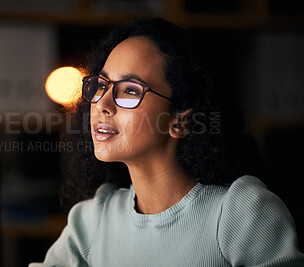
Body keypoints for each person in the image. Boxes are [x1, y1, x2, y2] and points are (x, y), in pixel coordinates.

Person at [29, 17, 304, 267]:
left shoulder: (241, 212)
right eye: (100, 85)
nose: (102, 103)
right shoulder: (91, 222)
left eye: (130, 91)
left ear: (180, 121)